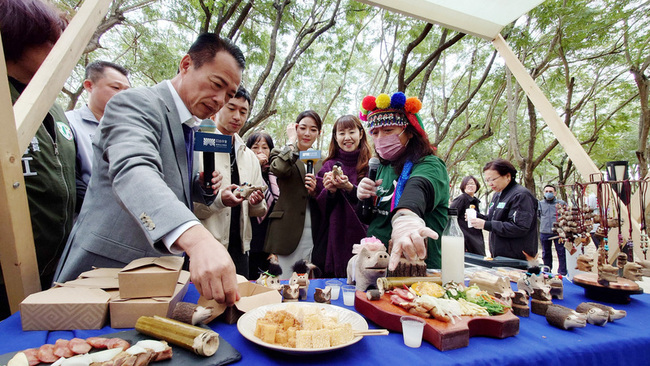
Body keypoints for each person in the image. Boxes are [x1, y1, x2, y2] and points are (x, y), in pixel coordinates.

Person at [54, 33, 245, 305]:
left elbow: (167, 181)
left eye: (229, 94)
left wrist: (198, 186)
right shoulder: (134, 102)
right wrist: (198, 240)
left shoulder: (189, 126)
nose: (219, 100)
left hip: (155, 281)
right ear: (186, 64)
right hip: (105, 277)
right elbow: (134, 170)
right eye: (217, 84)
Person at [1, 0, 73, 319]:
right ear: (18, 36)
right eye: (51, 42)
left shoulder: (55, 109)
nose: (59, 55)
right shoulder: (5, 101)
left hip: (57, 271)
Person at [356, 92, 449, 271]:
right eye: (374, 133)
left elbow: (418, 188)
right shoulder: (380, 166)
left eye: (388, 130)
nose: (380, 138)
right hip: (376, 266)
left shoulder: (430, 164)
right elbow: (367, 217)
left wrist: (405, 220)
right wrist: (362, 197)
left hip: (418, 268)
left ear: (410, 132)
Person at [193, 86, 267, 279]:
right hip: (206, 247)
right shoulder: (197, 148)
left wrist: (256, 202)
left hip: (241, 249)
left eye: (243, 112)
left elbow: (260, 210)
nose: (237, 116)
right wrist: (219, 201)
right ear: (217, 108)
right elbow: (188, 206)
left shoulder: (249, 156)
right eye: (231, 108)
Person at [264, 110, 323, 278]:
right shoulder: (280, 152)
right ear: (295, 129)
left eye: (313, 129)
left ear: (319, 133)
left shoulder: (322, 160)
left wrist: (316, 191)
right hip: (285, 229)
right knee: (281, 280)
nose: (307, 133)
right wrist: (291, 143)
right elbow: (279, 169)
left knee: (305, 279)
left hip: (312, 229)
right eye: (303, 128)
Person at [65, 61, 130, 212]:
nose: (123, 95)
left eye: (127, 90)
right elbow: (70, 180)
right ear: (89, 85)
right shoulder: (68, 123)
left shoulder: (129, 127)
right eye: (115, 88)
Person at [314, 115, 371, 277]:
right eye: (341, 133)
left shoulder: (371, 165)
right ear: (335, 137)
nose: (347, 138)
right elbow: (319, 206)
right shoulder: (329, 166)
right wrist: (330, 191)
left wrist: (349, 188)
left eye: (351, 132)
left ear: (360, 134)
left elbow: (373, 205)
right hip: (332, 240)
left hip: (364, 240)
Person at [470, 159, 539, 260]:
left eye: (493, 179)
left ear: (507, 176)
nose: (490, 184)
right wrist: (477, 217)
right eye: (487, 180)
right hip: (499, 256)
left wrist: (486, 225)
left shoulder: (521, 195)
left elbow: (519, 227)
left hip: (517, 258)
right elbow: (494, 219)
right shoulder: (497, 194)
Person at [246, 132, 279, 279]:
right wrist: (255, 165)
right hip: (251, 232)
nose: (260, 151)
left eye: (265, 147)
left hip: (269, 235)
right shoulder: (245, 170)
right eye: (255, 147)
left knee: (267, 278)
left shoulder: (274, 173)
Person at [450, 176, 486, 255]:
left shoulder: (475, 201)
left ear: (477, 186)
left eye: (473, 184)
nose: (470, 186)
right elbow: (450, 216)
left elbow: (479, 216)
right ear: (463, 186)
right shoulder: (461, 199)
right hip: (466, 238)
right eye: (467, 184)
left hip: (476, 236)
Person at [539, 184, 567, 274]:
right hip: (544, 231)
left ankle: (562, 272)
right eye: (546, 191)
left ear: (555, 193)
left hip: (558, 233)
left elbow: (566, 215)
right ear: (543, 193)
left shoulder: (561, 203)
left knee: (561, 252)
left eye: (550, 191)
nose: (548, 193)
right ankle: (547, 270)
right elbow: (538, 215)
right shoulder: (540, 204)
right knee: (546, 253)